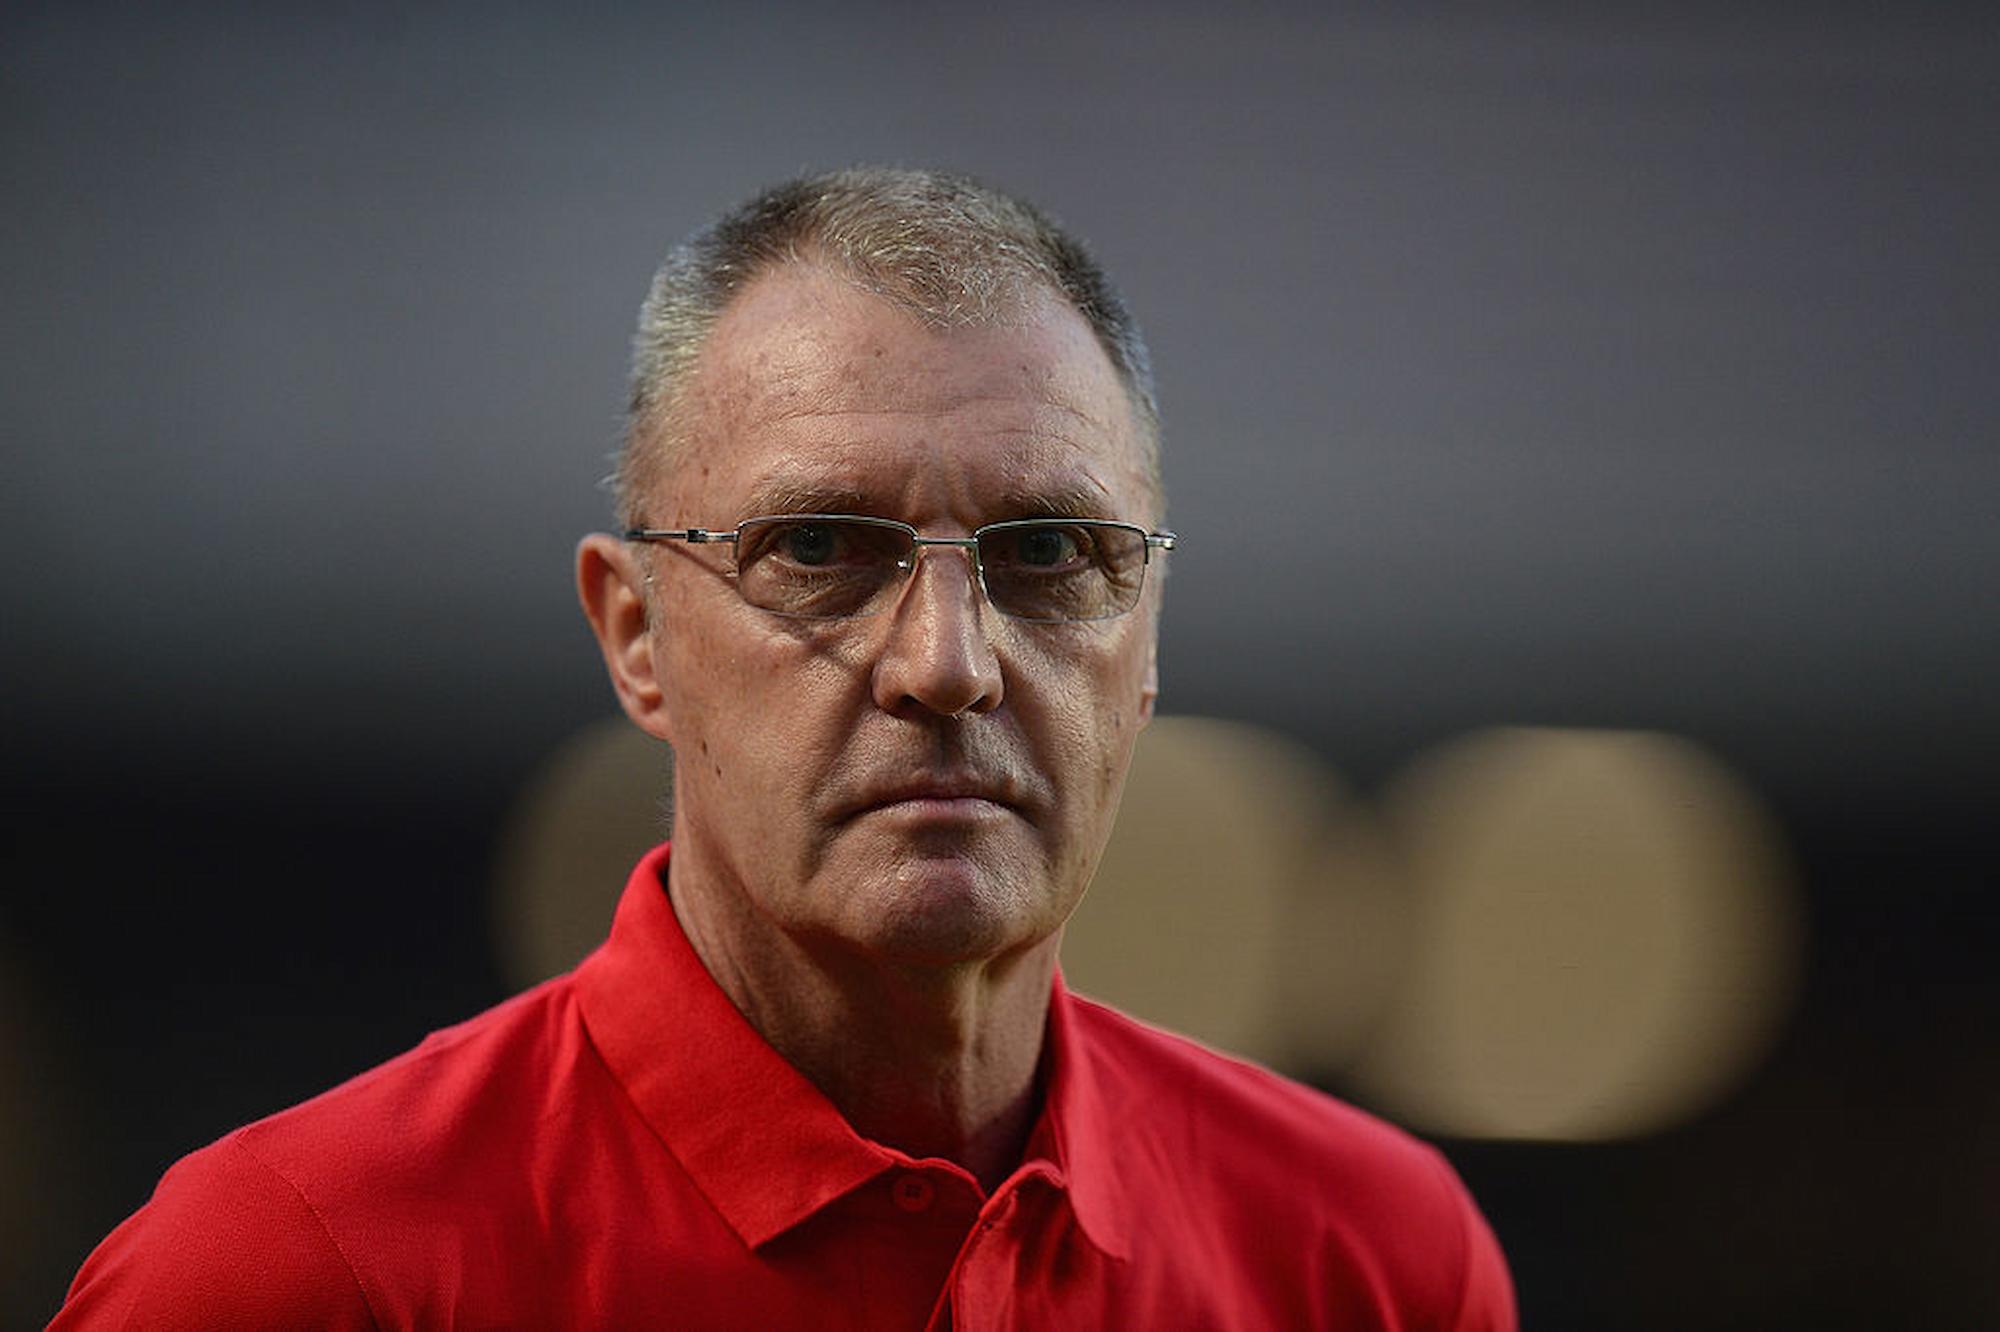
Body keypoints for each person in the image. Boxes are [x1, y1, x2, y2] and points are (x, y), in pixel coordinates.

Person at [53, 168, 1514, 1329]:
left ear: (1146, 642)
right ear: (637, 634)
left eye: (1049, 553)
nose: (948, 663)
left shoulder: (1369, 1265)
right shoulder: (294, 1273)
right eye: (818, 547)